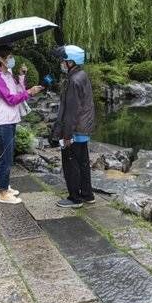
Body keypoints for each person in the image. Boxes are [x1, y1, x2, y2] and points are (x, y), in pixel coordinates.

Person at [0, 46, 44, 204]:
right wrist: (30, 92)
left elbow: (18, 91)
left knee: (7, 156)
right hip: (3, 122)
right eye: (10, 57)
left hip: (11, 120)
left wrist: (21, 77)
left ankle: (4, 185)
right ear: (1, 59)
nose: (12, 59)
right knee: (5, 158)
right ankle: (3, 192)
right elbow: (11, 99)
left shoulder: (8, 74)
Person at [50, 45, 96, 208]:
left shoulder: (73, 80)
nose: (61, 63)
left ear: (70, 62)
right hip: (84, 128)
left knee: (71, 163)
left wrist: (67, 135)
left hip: (75, 129)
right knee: (82, 162)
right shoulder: (81, 75)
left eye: (63, 60)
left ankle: (75, 198)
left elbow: (71, 111)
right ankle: (87, 194)